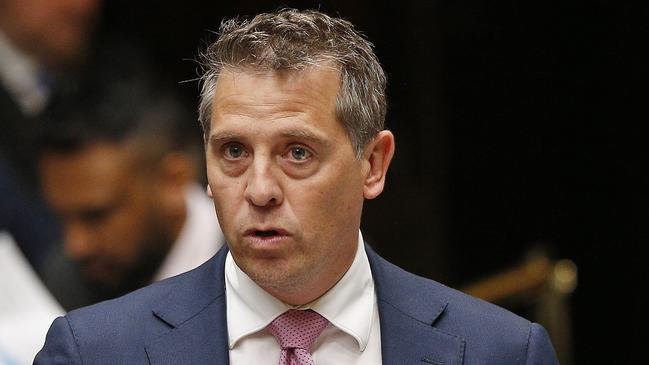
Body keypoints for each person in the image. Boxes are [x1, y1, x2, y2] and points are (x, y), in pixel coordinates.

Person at [35, 9, 559, 364]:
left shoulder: (499, 352)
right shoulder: (96, 352)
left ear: (373, 164)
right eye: (234, 151)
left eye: (297, 153)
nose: (260, 189)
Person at [37, 51, 224, 310]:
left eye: (96, 216)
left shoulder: (254, 265)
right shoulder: (65, 282)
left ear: (173, 180)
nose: (76, 246)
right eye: (62, 217)